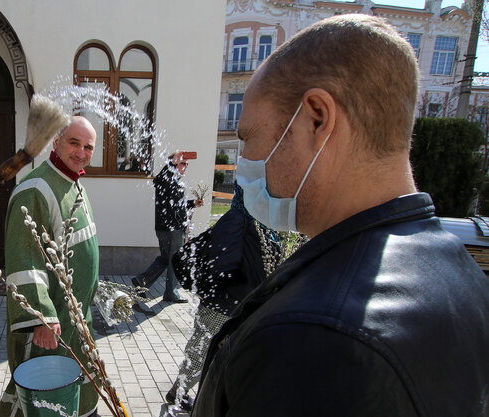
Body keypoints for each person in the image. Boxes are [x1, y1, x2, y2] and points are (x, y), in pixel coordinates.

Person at [193, 15, 489, 416]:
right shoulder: (462, 271)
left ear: (317, 118)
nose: (245, 161)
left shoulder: (309, 336)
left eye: (250, 137)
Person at [0, 116, 100, 417]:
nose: (81, 152)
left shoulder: (72, 181)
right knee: (44, 401)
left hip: (76, 317)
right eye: (74, 143)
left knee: (77, 392)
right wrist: (40, 316)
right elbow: (23, 258)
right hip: (50, 326)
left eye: (88, 147)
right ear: (56, 141)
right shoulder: (36, 189)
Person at [165, 183, 279, 412]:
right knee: (202, 349)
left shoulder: (262, 222)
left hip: (243, 303)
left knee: (221, 353)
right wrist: (242, 285)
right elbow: (220, 263)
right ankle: (181, 393)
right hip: (223, 303)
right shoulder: (237, 218)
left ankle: (197, 394)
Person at [132, 151, 203, 304]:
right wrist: (171, 163)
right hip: (172, 229)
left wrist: (192, 204)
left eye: (186, 164)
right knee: (175, 261)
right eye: (182, 163)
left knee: (166, 259)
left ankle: (141, 282)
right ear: (174, 164)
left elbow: (177, 205)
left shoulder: (175, 181)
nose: (185, 166)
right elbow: (158, 180)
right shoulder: (167, 178)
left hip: (169, 227)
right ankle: (171, 293)